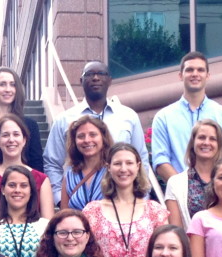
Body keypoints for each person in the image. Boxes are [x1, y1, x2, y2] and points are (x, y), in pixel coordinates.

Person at [43, 61, 149, 191]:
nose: (95, 78)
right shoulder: (63, 120)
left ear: (109, 80)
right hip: (78, 199)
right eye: (89, 74)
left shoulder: (128, 116)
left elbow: (141, 157)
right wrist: (59, 197)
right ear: (81, 80)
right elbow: (52, 162)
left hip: (121, 198)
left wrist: (142, 194)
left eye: (101, 74)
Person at [82, 143, 171, 257]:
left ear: (138, 166)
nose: (123, 169)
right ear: (108, 167)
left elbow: (167, 253)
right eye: (117, 163)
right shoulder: (92, 211)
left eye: (129, 163)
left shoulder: (154, 211)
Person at [150, 52, 222, 182]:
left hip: (217, 194)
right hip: (179, 195)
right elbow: (161, 160)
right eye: (189, 70)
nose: (195, 74)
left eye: (200, 70)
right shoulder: (163, 117)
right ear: (181, 75)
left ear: (208, 76)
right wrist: (184, 188)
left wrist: (213, 188)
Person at [0, 114, 54, 219]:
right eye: (5, 135)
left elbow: (48, 224)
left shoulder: (42, 179)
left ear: (24, 140)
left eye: (16, 134)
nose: (11, 140)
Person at [0, 165, 49, 257]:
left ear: (31, 191)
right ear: (3, 190)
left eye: (24, 186)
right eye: (12, 185)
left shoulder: (45, 226)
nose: (17, 190)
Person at [164, 120, 222, 223]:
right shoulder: (175, 183)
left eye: (212, 139)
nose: (206, 142)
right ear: (193, 143)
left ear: (219, 145)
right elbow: (177, 233)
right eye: (201, 137)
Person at [60, 116, 112, 210]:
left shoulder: (113, 171)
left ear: (103, 138)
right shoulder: (69, 176)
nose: (87, 140)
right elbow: (64, 215)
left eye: (93, 135)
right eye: (81, 136)